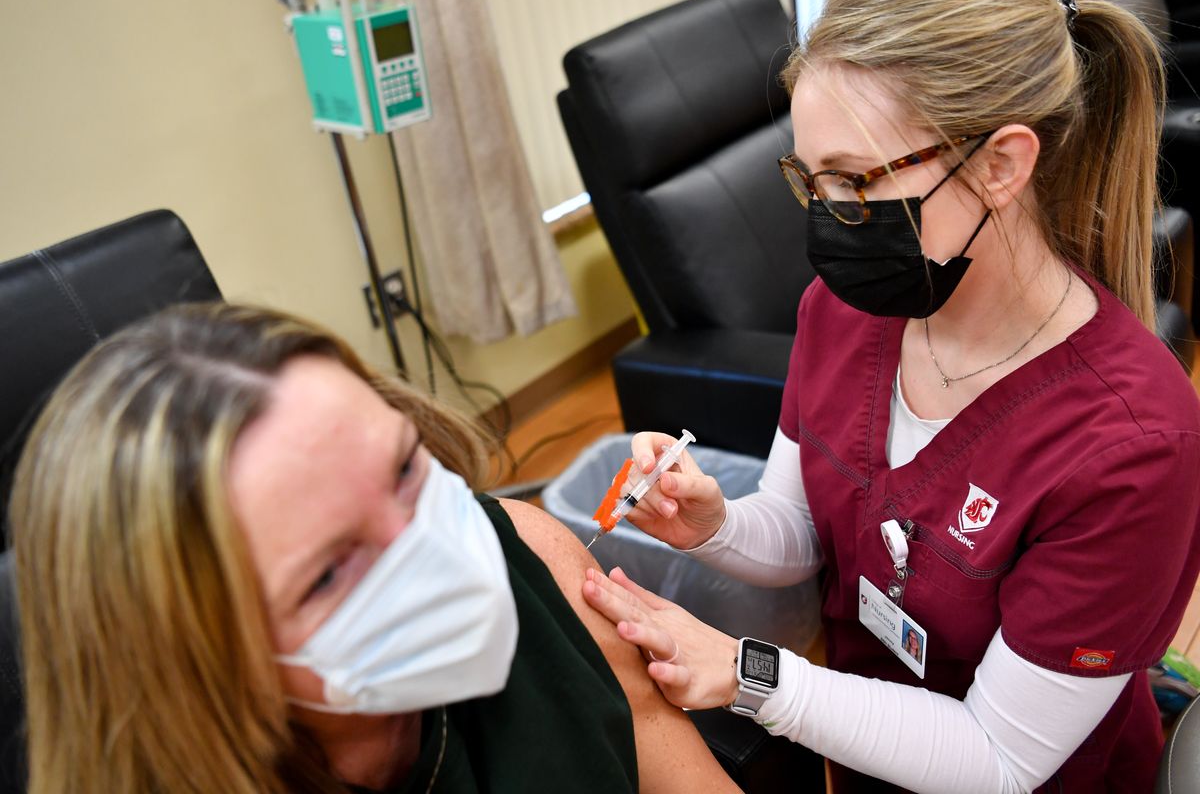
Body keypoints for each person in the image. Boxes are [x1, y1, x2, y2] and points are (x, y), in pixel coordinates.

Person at [580, 0, 1200, 792]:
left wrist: (747, 673)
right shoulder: (845, 311)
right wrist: (715, 524)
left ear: (1001, 165)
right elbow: (804, 532)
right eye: (808, 179)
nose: (828, 217)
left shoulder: (1134, 445)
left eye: (852, 180)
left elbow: (999, 759)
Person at [7, 302, 740, 794]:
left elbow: (649, 741)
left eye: (402, 472)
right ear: (191, 662)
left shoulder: (525, 548)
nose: (439, 559)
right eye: (328, 573)